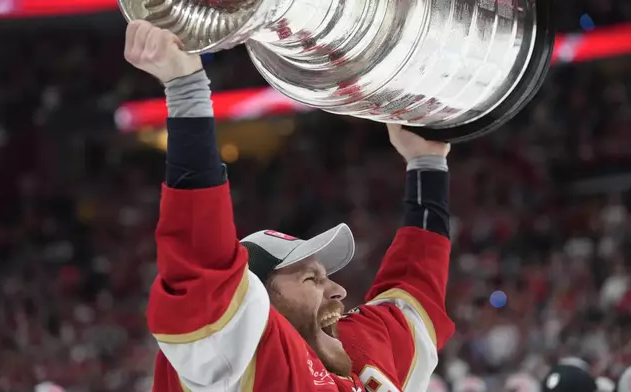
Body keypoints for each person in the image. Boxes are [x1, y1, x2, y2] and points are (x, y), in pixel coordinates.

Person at [124, 20, 455, 392]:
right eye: (311, 279)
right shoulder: (238, 362)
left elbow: (415, 293)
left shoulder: (361, 353)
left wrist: (427, 163)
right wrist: (187, 89)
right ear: (253, 307)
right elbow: (201, 271)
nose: (339, 291)